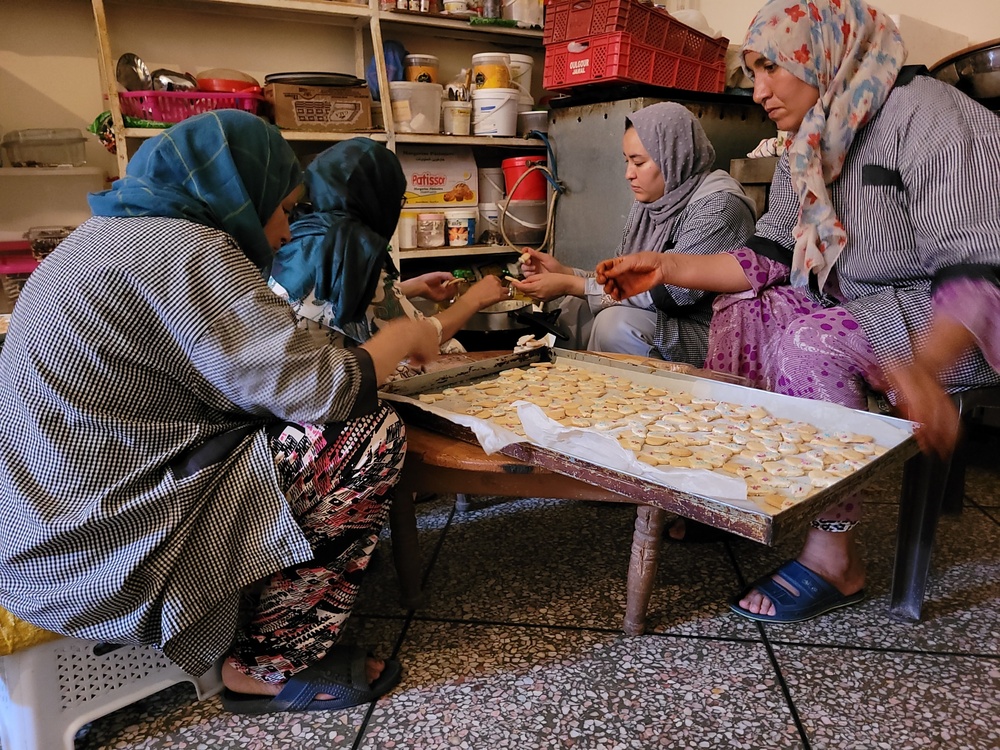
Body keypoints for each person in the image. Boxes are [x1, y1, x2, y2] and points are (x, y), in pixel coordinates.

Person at [0, 110, 441, 714]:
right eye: (284, 209)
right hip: (94, 553)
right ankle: (267, 664)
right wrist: (408, 336)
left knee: (285, 432)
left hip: (35, 534)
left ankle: (254, 607)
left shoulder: (101, 236)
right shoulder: (187, 249)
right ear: (240, 192)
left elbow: (243, 367)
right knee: (364, 434)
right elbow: (324, 387)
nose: (286, 232)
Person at [597, 0, 1000, 622]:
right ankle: (749, 497)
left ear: (824, 53)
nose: (758, 91)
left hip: (950, 314)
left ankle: (833, 556)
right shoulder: (809, 140)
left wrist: (926, 369)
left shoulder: (933, 120)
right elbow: (771, 251)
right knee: (744, 309)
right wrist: (668, 266)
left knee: (809, 341)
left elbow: (978, 273)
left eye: (770, 69)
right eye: (752, 72)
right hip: (866, 303)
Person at [509, 102, 756, 366]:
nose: (628, 174)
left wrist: (573, 284)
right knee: (574, 307)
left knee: (614, 324)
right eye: (626, 161)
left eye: (639, 162)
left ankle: (641, 402)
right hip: (665, 317)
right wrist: (566, 273)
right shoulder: (652, 205)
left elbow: (668, 293)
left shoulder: (720, 207)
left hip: (709, 333)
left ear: (674, 156)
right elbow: (623, 279)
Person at [268, 138, 509, 368]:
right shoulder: (350, 250)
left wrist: (413, 287)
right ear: (379, 201)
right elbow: (421, 337)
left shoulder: (305, 232)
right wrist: (475, 298)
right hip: (327, 396)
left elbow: (335, 301)